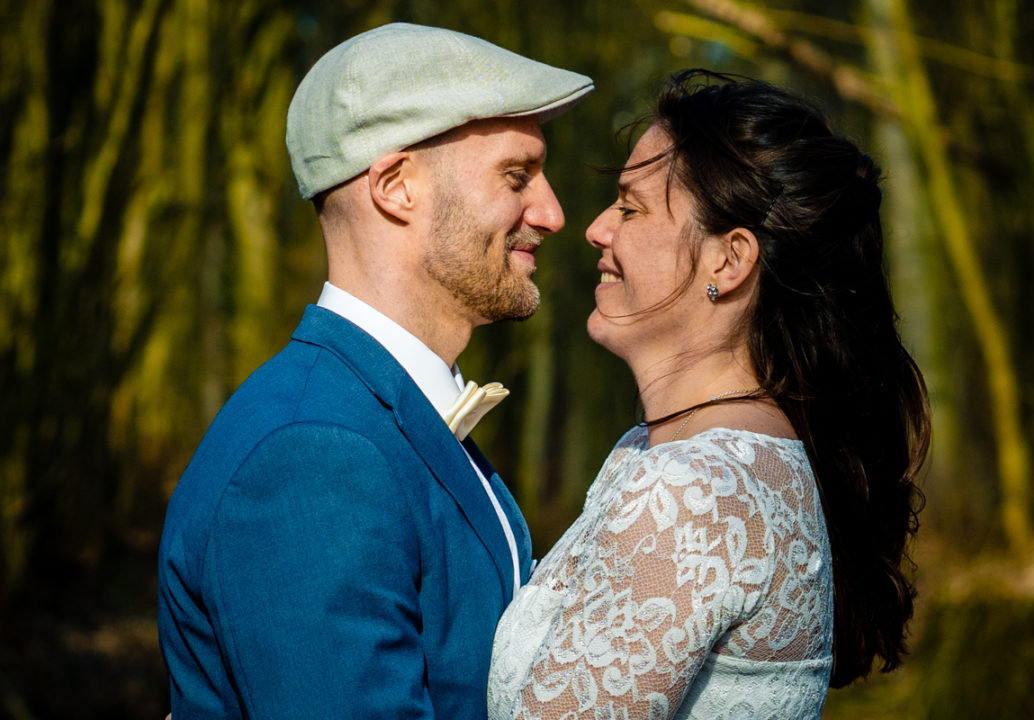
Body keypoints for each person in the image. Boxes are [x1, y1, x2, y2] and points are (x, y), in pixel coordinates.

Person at [157, 23, 592, 719]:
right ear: (396, 187)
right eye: (517, 176)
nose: (553, 213)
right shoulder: (313, 453)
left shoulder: (383, 412)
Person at [488, 70, 930, 719]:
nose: (596, 229)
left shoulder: (695, 490)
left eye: (631, 207)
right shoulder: (679, 452)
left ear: (729, 262)